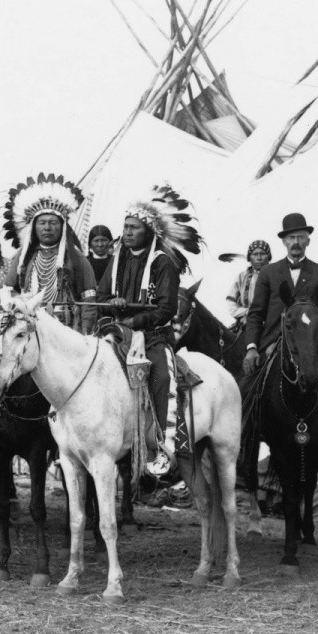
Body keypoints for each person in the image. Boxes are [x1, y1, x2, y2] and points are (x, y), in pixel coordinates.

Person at [242, 212, 318, 468]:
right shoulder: (267, 272)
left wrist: (310, 316)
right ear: (284, 242)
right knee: (248, 385)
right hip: (274, 338)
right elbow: (255, 314)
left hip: (310, 339)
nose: (295, 242)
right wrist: (252, 347)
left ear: (308, 240)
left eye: (300, 237)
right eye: (291, 238)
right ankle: (245, 440)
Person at [100, 184, 199, 474]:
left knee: (160, 376)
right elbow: (102, 298)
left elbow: (166, 309)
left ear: (149, 231)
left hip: (152, 337)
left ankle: (162, 445)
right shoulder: (116, 259)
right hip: (116, 332)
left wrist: (133, 322)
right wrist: (113, 304)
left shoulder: (163, 263)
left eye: (134, 227)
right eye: (125, 227)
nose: (127, 232)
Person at [0, 175, 98, 328]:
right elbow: (8, 291)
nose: (47, 228)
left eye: (53, 223)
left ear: (63, 226)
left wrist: (85, 332)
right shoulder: (23, 256)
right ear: (33, 227)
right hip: (30, 323)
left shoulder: (75, 257)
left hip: (66, 327)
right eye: (42, 223)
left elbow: (88, 300)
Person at [225, 240, 272, 327]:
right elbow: (231, 301)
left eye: (262, 254)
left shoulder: (277, 275)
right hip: (246, 322)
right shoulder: (242, 277)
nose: (259, 258)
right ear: (249, 257)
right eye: (255, 254)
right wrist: (245, 312)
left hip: (272, 324)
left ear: (268, 256)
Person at [86, 224, 115, 288]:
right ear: (90, 244)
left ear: (110, 242)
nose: (100, 244)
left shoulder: (116, 262)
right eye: (96, 241)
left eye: (104, 240)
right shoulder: (84, 263)